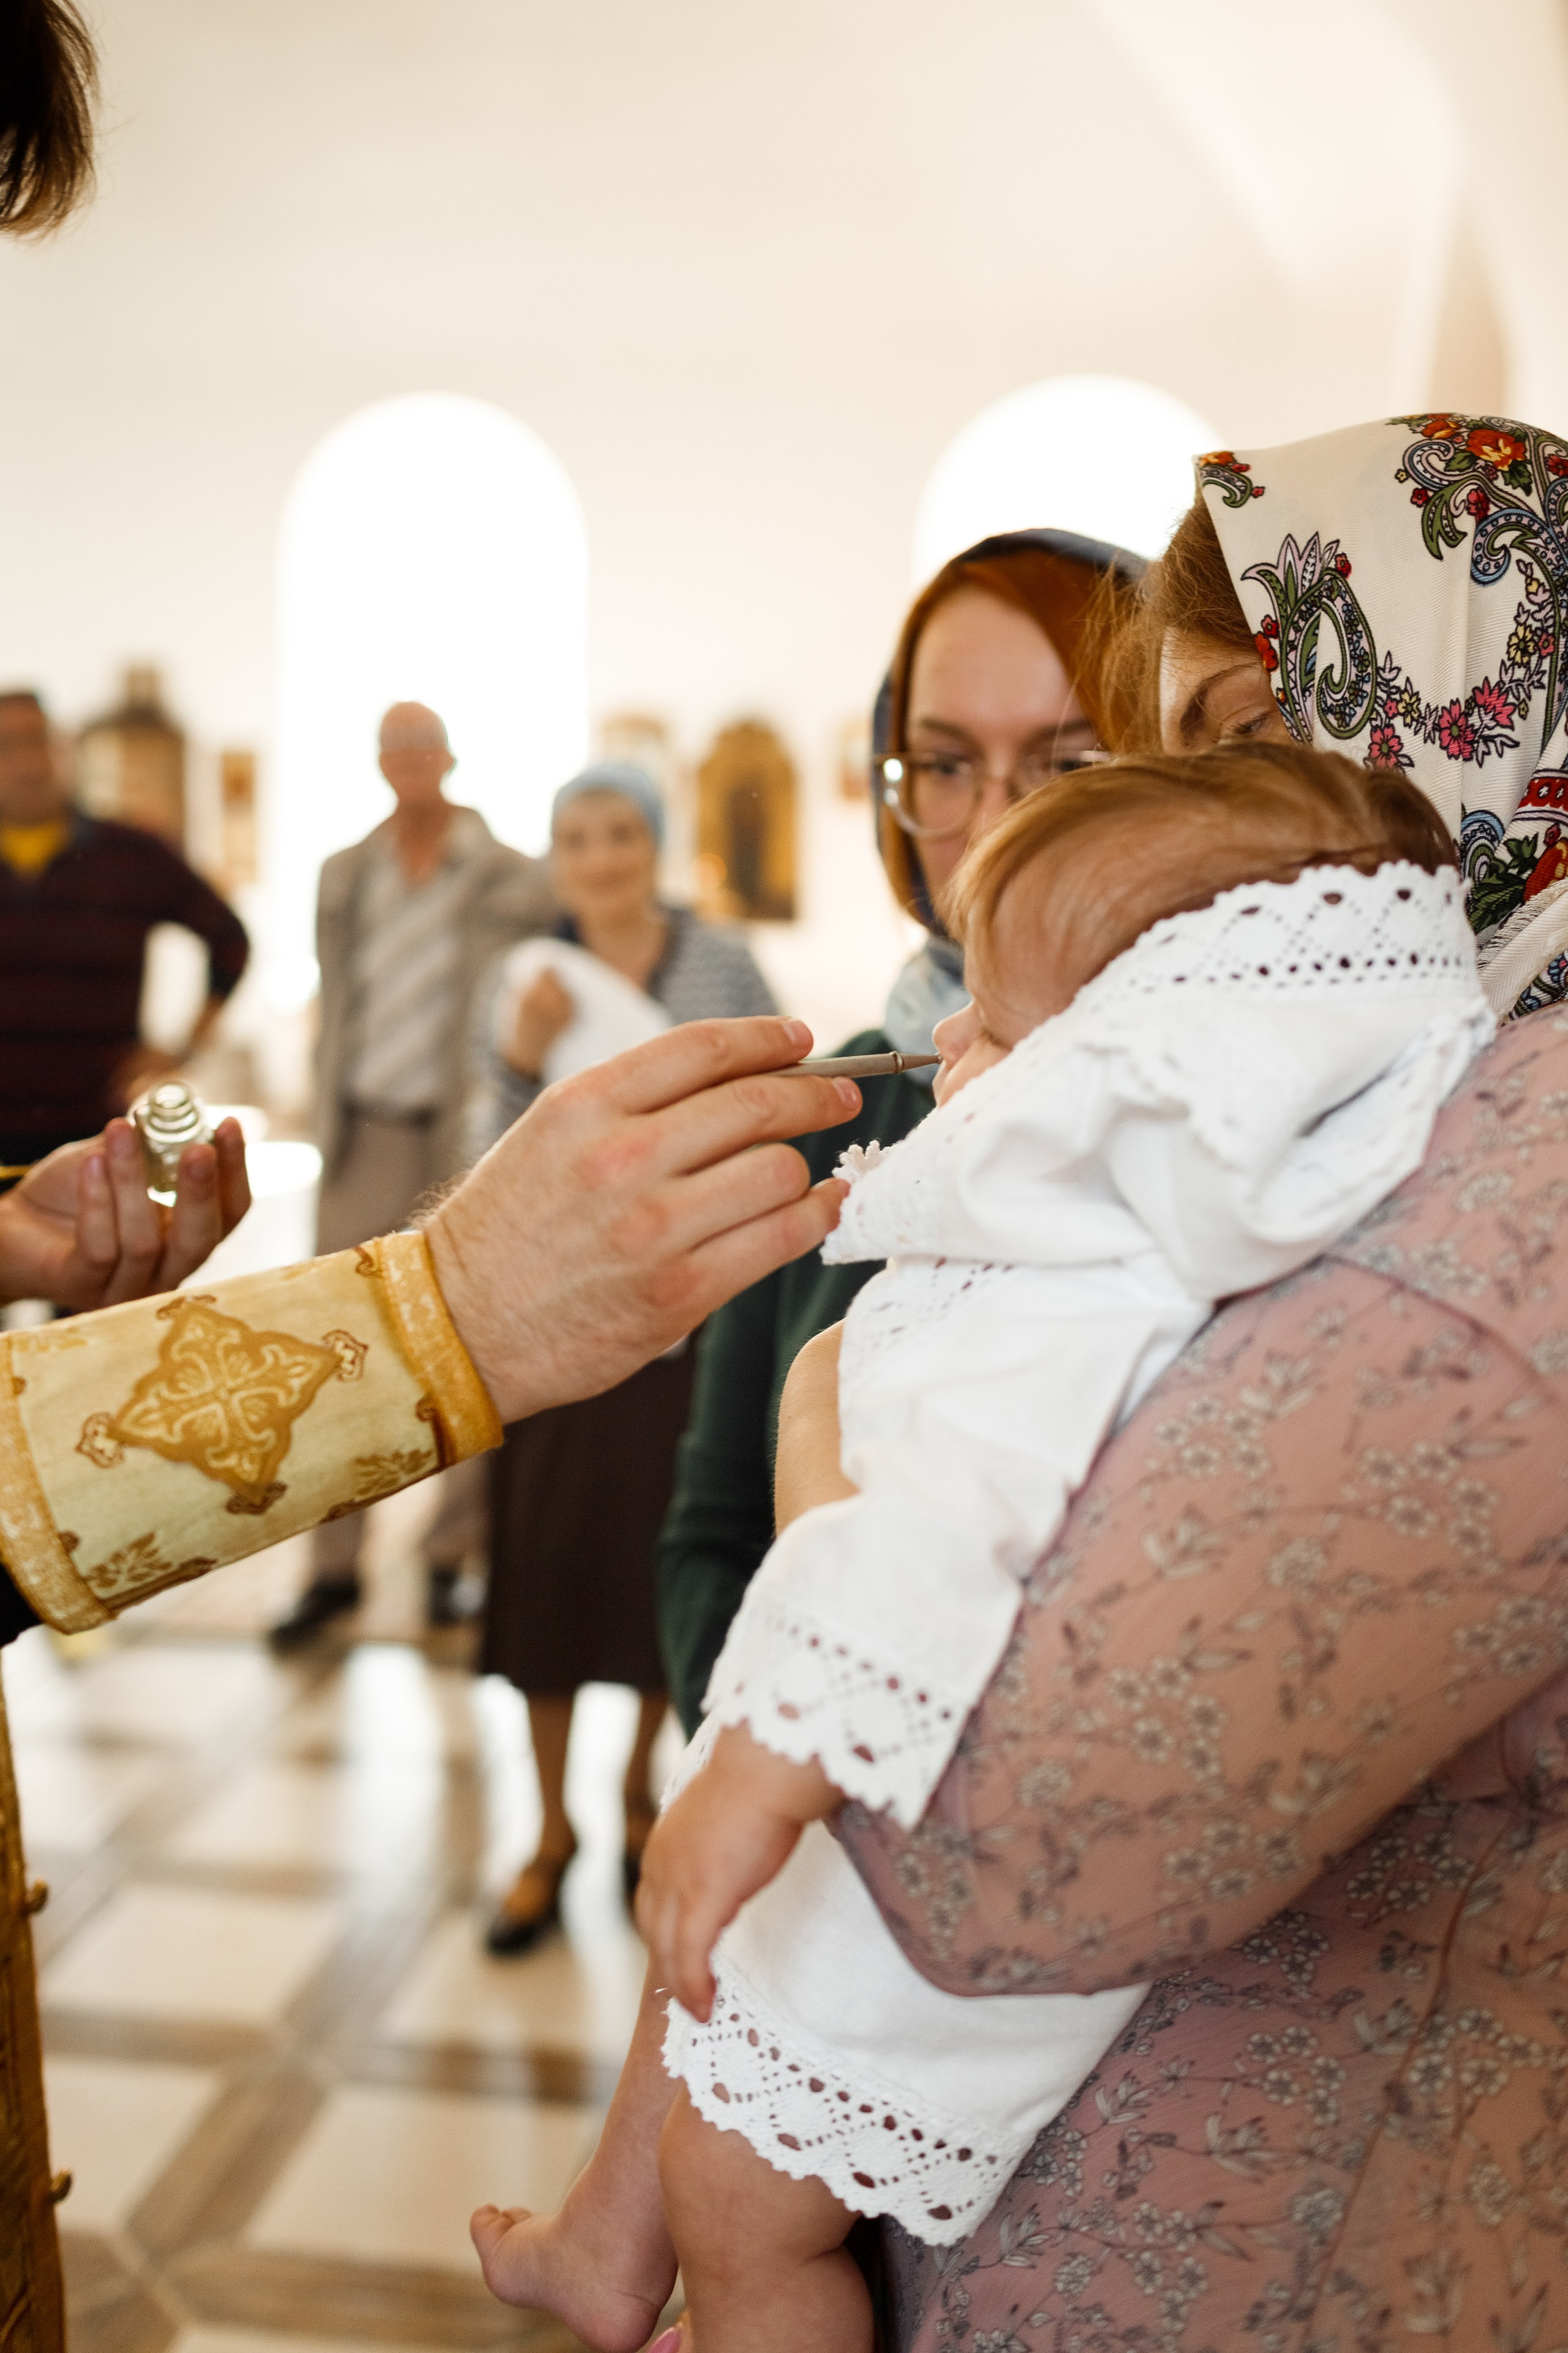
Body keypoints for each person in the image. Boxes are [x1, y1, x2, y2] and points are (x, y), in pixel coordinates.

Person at [469, 741, 1491, 2351]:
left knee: (748, 2214)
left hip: (912, 1864)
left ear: (1136, 1059)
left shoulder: (1069, 1287)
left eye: (999, 1029)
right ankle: (606, 2246)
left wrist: (748, 1773)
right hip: (896, 1795)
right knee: (703, 2029)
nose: (947, 1034)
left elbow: (929, 1532)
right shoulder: (1140, 1224)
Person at [806, 413, 1568, 2349]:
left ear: (1472, 708)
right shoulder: (1399, 1095)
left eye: (1241, 743)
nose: (1189, 839)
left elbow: (989, 1818)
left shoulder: (1528, 1161)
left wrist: (833, 1413)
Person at [657, 529, 1142, 1735]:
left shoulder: (1224, 1109)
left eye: (1064, 759)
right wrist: (781, 1773)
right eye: (941, 762)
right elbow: (710, 1534)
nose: (992, 822)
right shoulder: (825, 1110)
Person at [472, 761, 777, 1952]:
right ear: (554, 858)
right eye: (575, 838)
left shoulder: (721, 967)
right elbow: (481, 1161)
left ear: (652, 844)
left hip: (686, 1311)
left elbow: (772, 1100)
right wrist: (518, 1056)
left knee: (657, 1573)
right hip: (556, 1321)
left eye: (618, 834)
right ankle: (546, 1831)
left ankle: (638, 1797)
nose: (598, 858)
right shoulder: (528, 980)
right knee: (547, 1585)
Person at [268, 700, 554, 1649]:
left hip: (462, 1130)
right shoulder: (345, 873)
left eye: (425, 745)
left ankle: (448, 1557)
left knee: (463, 1340)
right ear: (381, 763)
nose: (412, 762)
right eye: (396, 748)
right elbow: (337, 997)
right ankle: (332, 1569)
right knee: (332, 1346)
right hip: (362, 1127)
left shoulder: (512, 875)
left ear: (450, 757)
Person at [0, 687, 250, 1176]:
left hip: (92, 1141)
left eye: (40, 742)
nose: (29, 762)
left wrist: (182, 1048)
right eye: (7, 745)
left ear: (64, 750)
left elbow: (231, 942)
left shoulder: (135, 856)